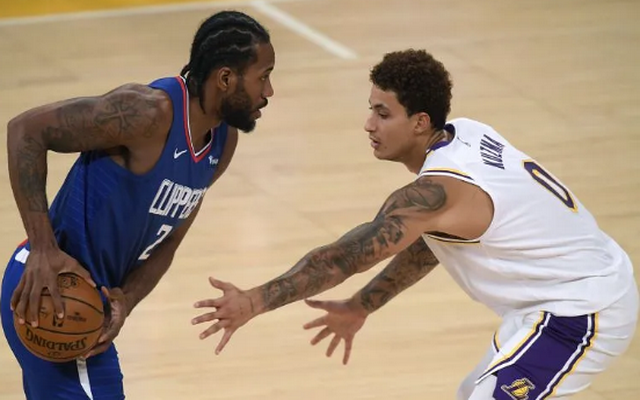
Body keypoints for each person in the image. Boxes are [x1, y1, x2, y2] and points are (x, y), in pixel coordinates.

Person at [191, 49, 638, 399]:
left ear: (421, 122)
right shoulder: (466, 133)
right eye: (371, 109)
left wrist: (254, 300)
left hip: (581, 310)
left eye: (383, 114)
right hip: (559, 296)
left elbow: (345, 257)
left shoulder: (438, 190)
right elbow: (433, 241)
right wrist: (363, 304)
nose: (368, 125)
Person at [1, 10, 274, 400]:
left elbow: (170, 240)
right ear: (226, 78)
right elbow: (26, 131)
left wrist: (126, 300)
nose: (269, 91)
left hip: (83, 304)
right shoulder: (147, 113)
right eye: (263, 76)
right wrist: (43, 248)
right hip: (49, 292)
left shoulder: (221, 142)